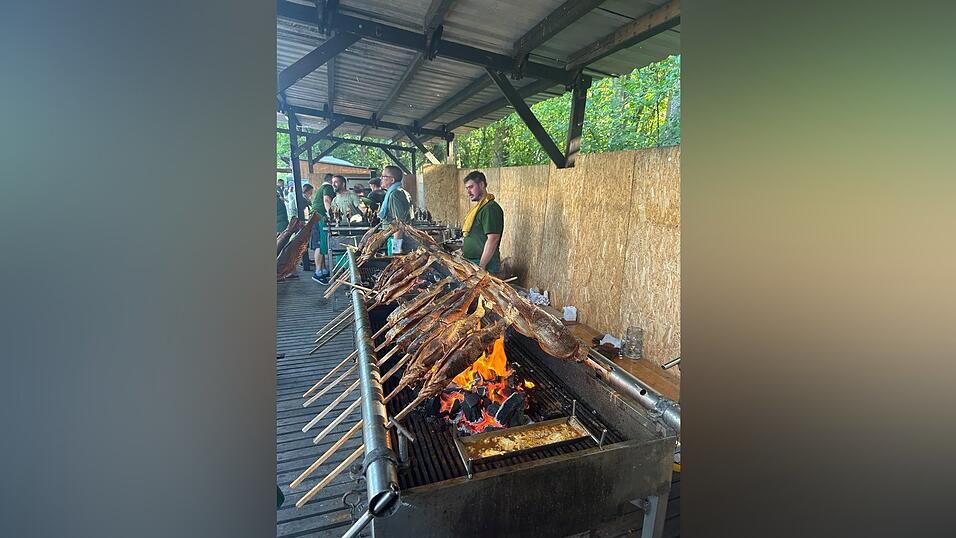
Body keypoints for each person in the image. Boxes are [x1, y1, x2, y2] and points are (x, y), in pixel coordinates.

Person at [461, 170, 504, 274]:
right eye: (467, 188)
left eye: (471, 187)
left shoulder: (490, 208)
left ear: (481, 185)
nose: (468, 192)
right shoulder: (480, 208)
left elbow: (493, 239)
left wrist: (482, 265)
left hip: (485, 264)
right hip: (474, 262)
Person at [377, 165, 413, 254]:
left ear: (392, 180)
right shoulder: (402, 192)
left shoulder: (395, 195)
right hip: (400, 237)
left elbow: (399, 223)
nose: (380, 178)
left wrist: (396, 248)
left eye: (383, 176)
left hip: (397, 238)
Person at [310, 174, 335, 284]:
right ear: (330, 180)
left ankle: (324, 270)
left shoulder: (321, 188)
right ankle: (318, 272)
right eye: (334, 181)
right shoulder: (328, 187)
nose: (335, 184)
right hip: (320, 217)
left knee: (323, 244)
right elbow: (326, 200)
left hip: (316, 217)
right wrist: (331, 215)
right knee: (320, 244)